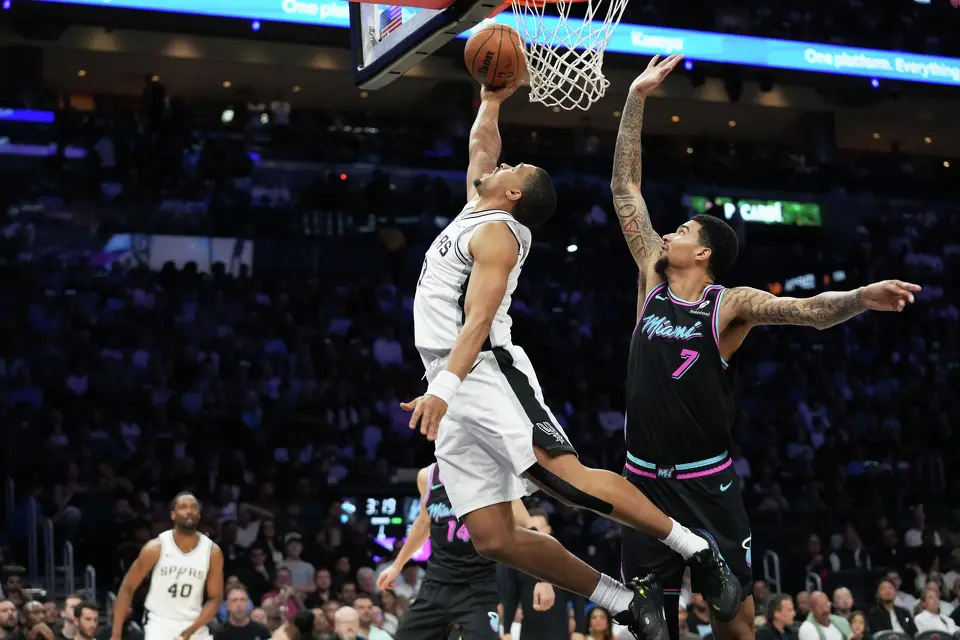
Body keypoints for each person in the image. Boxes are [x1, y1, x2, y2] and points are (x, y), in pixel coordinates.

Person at [402, 78, 739, 640]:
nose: (508, 163)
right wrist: (491, 99)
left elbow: (478, 321)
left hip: (484, 367)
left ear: (514, 195)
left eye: (518, 168)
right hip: (449, 373)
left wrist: (444, 389)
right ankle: (624, 600)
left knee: (562, 479)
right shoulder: (472, 211)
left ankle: (697, 549)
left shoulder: (500, 235)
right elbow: (482, 147)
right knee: (492, 536)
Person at [611, 53, 921, 640]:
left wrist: (858, 296)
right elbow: (625, 187)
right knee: (649, 626)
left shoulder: (729, 304)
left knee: (736, 620)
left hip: (706, 481)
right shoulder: (650, 280)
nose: (669, 232)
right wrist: (637, 96)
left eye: (682, 232)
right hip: (643, 477)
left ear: (703, 253)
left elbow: (805, 312)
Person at [377, 463, 551, 640]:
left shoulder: (494, 476)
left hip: (478, 589)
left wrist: (543, 578)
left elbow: (529, 529)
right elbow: (423, 523)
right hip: (437, 586)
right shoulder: (427, 476)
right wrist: (397, 566)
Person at [112, 493, 225, 640]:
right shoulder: (155, 548)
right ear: (173, 515)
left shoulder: (212, 552)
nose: (189, 511)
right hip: (160, 622)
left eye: (194, 507)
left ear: (199, 514)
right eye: (183, 507)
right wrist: (116, 635)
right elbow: (127, 587)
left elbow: (215, 598)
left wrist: (191, 630)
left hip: (194, 623)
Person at [499, 508, 584, 640]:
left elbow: (577, 597)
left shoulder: (563, 559)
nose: (535, 533)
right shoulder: (519, 562)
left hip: (558, 631)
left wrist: (580, 630)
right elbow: (512, 596)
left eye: (539, 528)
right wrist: (506, 630)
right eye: (532, 530)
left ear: (548, 529)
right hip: (528, 631)